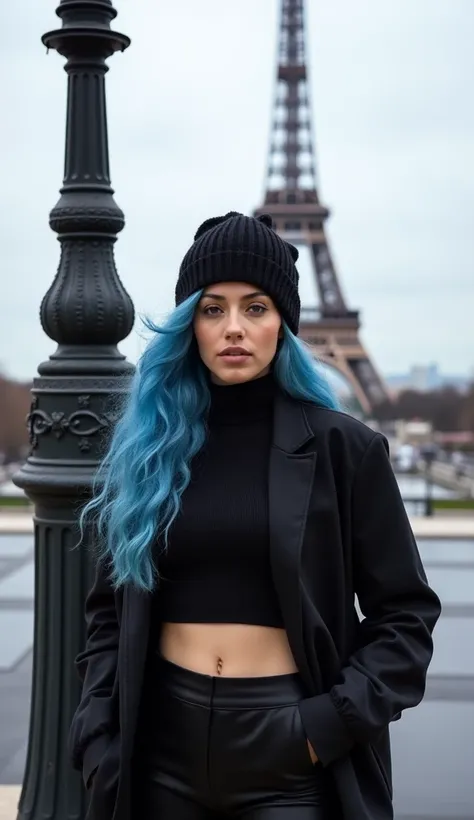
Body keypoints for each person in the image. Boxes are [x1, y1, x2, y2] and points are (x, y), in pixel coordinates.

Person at [69, 212, 441, 820]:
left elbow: (404, 614)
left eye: (256, 307)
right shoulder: (148, 452)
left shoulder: (344, 448)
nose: (233, 328)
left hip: (290, 753)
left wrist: (325, 726)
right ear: (189, 324)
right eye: (213, 309)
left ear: (283, 325)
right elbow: (109, 612)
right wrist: (98, 735)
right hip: (159, 745)